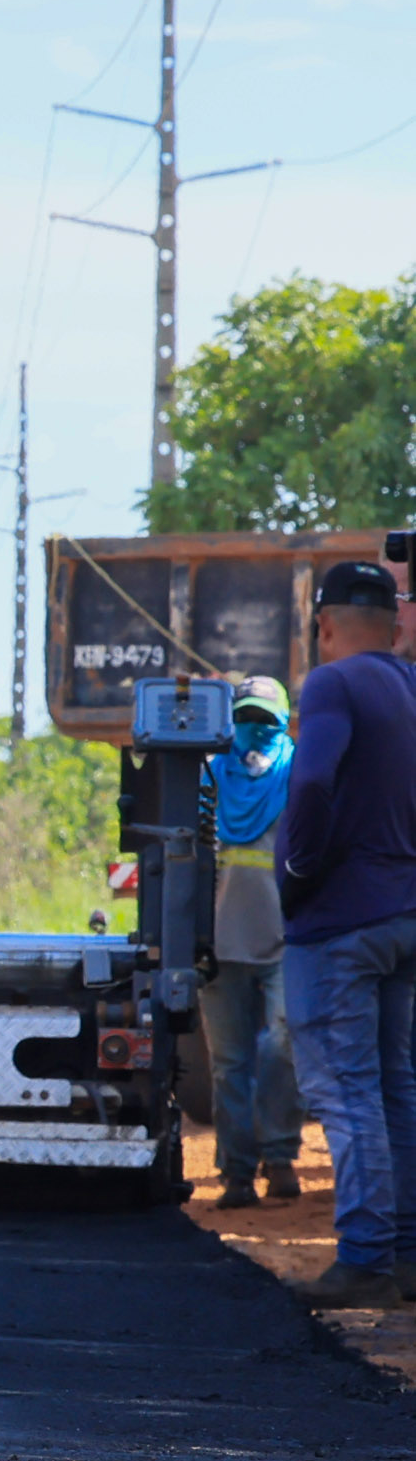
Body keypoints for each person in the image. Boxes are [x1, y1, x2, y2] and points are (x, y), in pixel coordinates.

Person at [275, 559, 416, 1307]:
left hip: (339, 923)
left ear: (322, 625)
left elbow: (312, 780)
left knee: (347, 1091)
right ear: (394, 625)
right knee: (397, 1088)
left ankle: (362, 1255)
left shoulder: (330, 683)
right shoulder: (409, 686)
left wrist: (297, 872)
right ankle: (407, 1257)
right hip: (402, 916)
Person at [203, 671, 310, 1209]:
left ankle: (280, 1155)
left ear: (283, 722)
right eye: (243, 718)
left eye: (264, 720)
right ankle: (238, 1175)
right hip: (220, 946)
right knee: (229, 1063)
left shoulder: (298, 773)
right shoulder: (210, 776)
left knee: (280, 1047)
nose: (253, 729)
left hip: (285, 941)